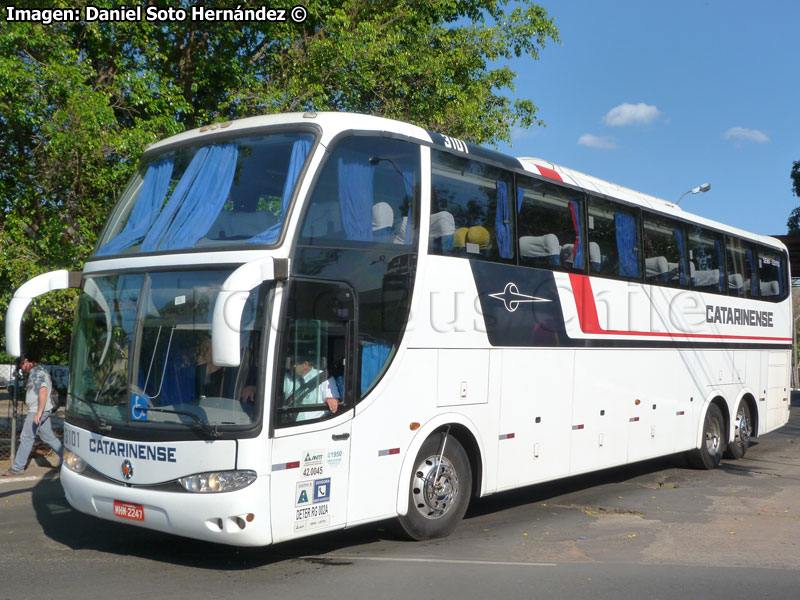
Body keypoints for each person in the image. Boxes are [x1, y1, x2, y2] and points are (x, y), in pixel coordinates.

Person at [4, 355, 63, 476]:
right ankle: (67, 460)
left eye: (21, 366)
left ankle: (17, 468)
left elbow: (43, 390)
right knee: (48, 437)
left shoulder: (37, 372)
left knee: (26, 437)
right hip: (40, 410)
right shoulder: (38, 371)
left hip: (38, 410)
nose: (22, 369)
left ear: (26, 362)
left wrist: (39, 412)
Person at [284, 352, 340, 422]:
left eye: (294, 365)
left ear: (305, 364)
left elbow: (333, 398)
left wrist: (332, 400)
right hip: (288, 425)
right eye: (290, 365)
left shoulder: (324, 377)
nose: (290, 367)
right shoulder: (288, 377)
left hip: (314, 424)